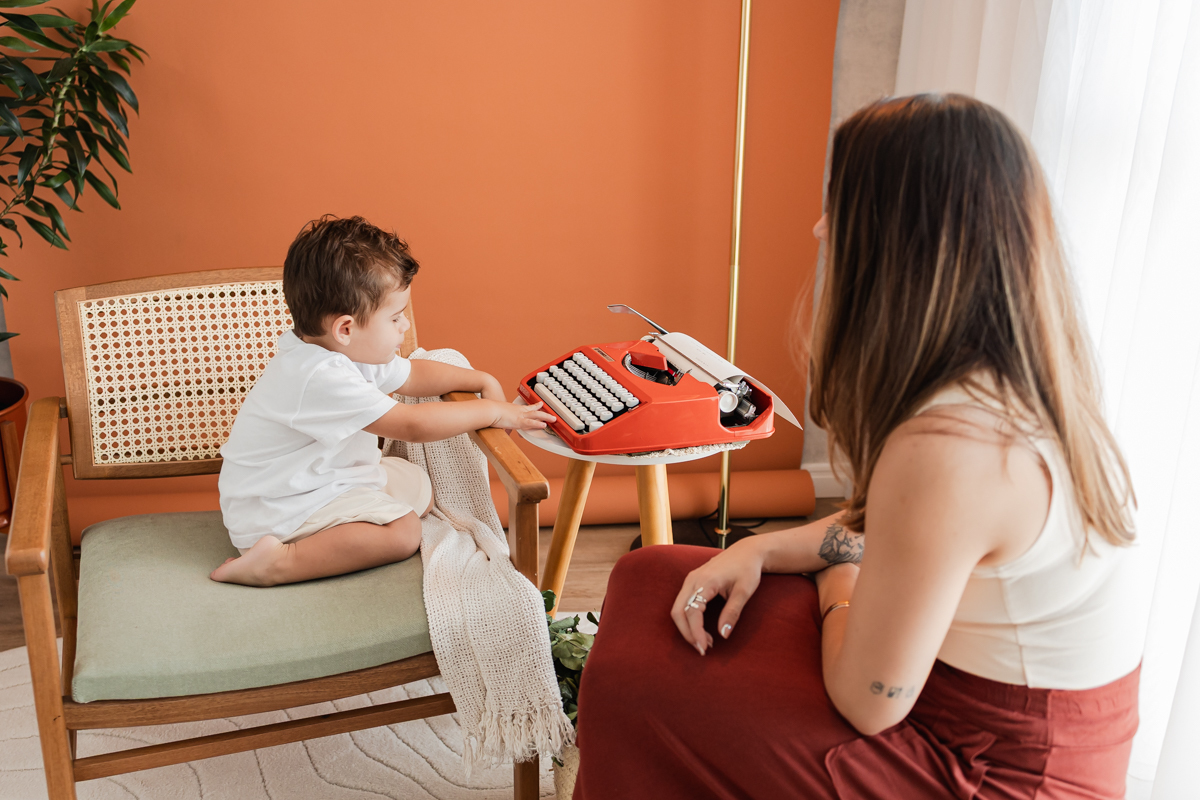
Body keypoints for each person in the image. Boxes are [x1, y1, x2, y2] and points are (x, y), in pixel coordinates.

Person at [572, 94, 1142, 799]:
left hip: (993, 772)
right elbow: (889, 529)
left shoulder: (953, 447)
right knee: (651, 574)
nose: (819, 227)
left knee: (640, 684)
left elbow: (868, 702)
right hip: (970, 704)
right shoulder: (1009, 379)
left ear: (896, 241)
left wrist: (837, 579)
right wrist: (762, 550)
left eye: (838, 205)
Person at [211, 215, 555, 587]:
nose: (404, 326)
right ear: (345, 328)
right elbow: (412, 425)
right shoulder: (319, 375)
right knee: (404, 530)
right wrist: (494, 411)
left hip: (321, 480)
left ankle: (330, 529)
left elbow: (412, 374)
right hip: (279, 508)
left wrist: (481, 379)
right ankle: (278, 562)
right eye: (395, 318)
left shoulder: (344, 350)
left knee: (420, 488)